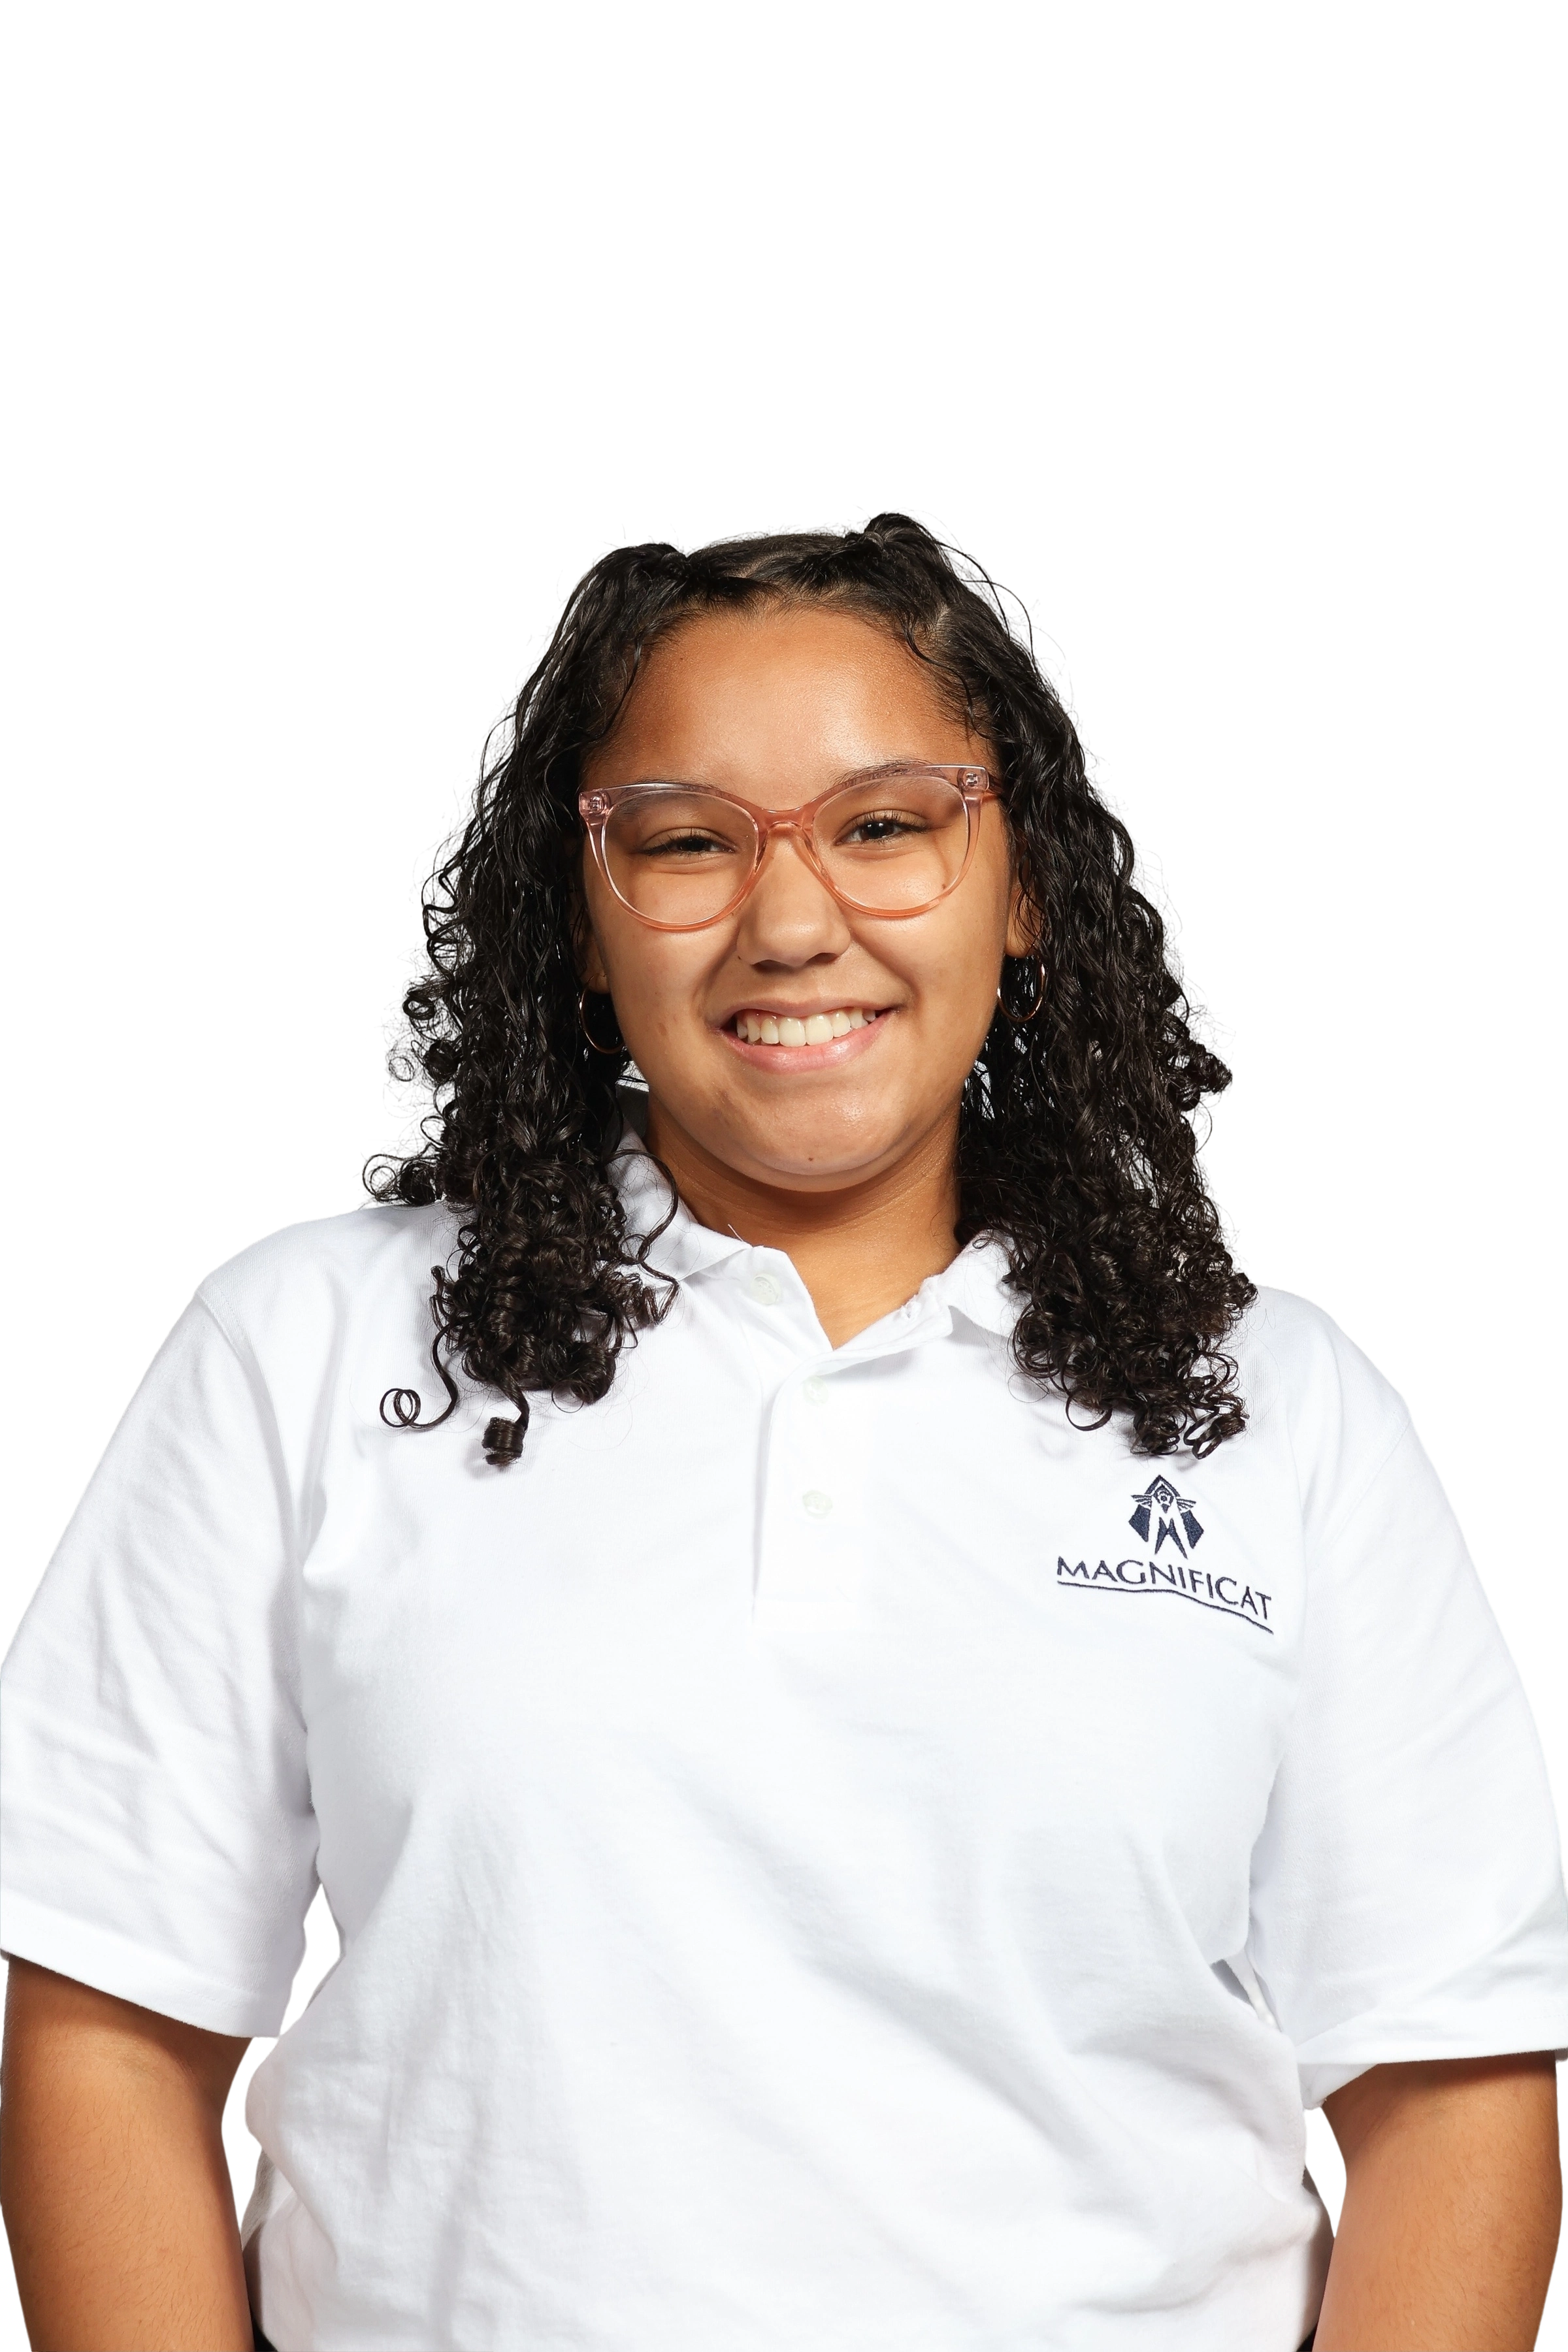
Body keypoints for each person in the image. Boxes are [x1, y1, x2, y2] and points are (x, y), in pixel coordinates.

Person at [1, 510, 1563, 2352]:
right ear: (582, 913)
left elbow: (1453, 2082)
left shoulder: (1284, 1410)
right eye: (687, 841)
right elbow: (110, 2022)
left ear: (1026, 883)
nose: (796, 922)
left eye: (886, 825)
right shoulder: (303, 1347)